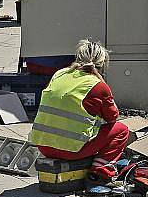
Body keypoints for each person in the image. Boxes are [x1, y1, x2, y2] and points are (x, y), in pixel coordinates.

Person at [29, 40, 130, 186]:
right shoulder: (97, 85)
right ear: (103, 64)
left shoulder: (60, 74)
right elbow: (112, 117)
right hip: (70, 150)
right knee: (121, 130)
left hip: (43, 146)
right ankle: (101, 172)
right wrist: (103, 85)